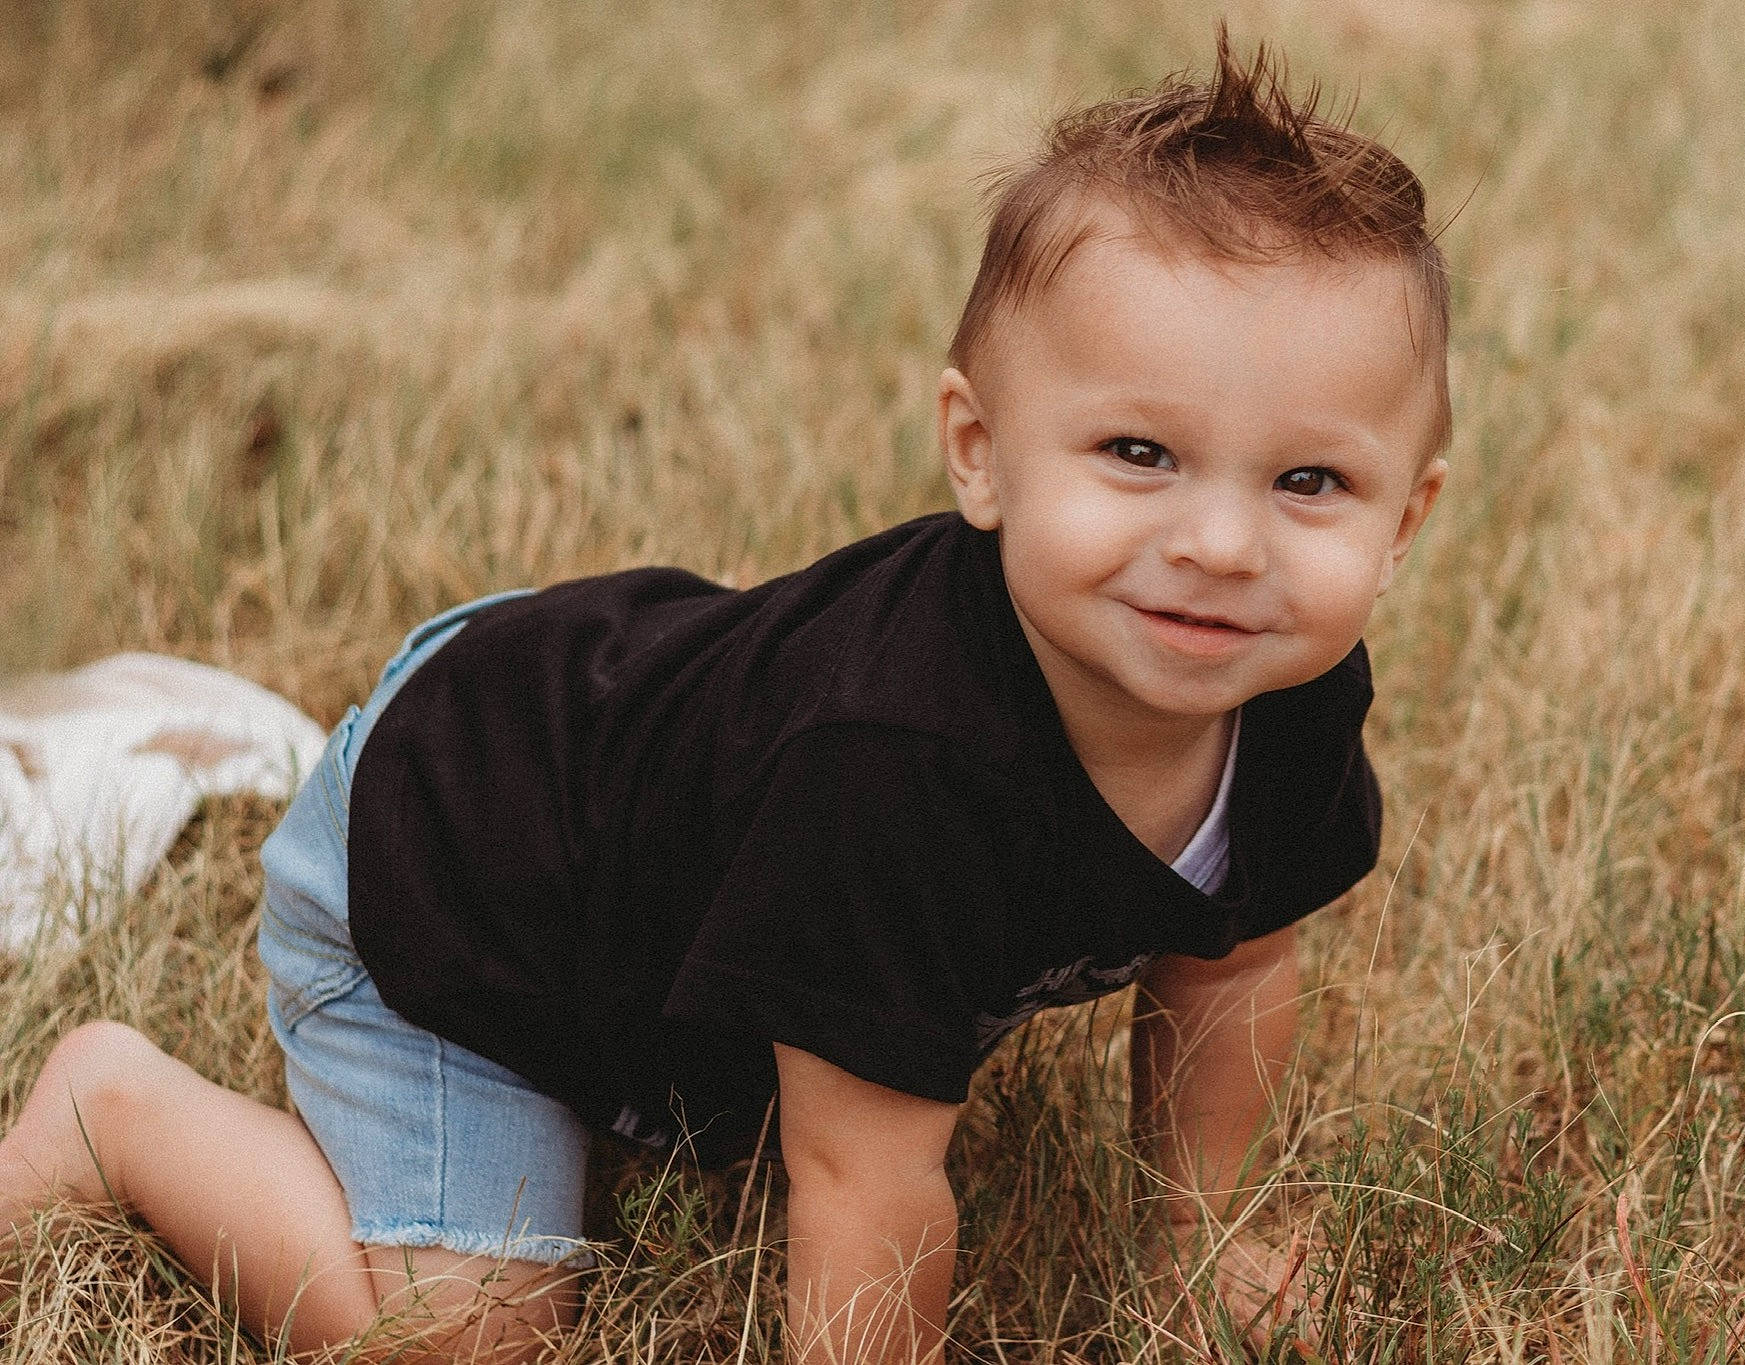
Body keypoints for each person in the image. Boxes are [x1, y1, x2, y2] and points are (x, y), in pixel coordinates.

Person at [0, 33, 1450, 1365]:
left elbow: (1231, 964)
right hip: (465, 855)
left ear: (1404, 518)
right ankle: (112, 1110)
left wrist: (1197, 1241)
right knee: (466, 1337)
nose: (1220, 544)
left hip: (626, 726)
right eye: (1138, 451)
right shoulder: (895, 768)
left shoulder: (1288, 687)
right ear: (981, 452)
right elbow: (865, 1179)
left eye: (1308, 481)